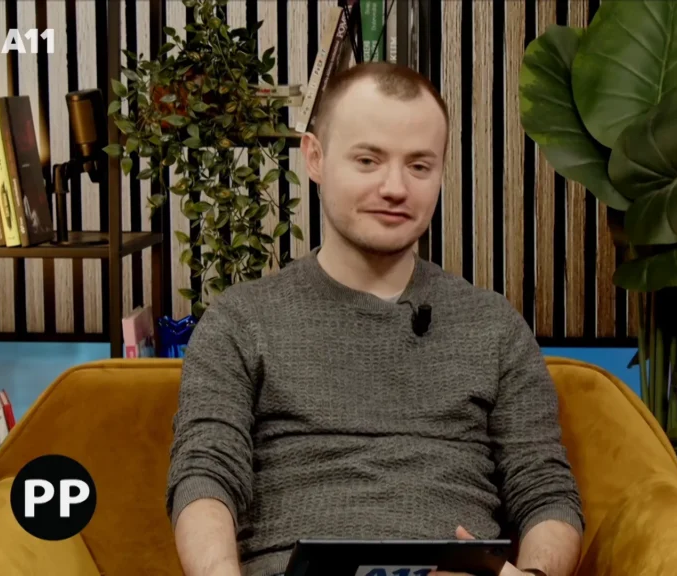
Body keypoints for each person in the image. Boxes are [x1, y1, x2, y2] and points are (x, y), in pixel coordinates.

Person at [165, 61, 585, 576]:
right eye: (368, 160)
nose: (395, 188)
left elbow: (546, 493)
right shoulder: (241, 320)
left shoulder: (493, 325)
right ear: (315, 157)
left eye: (419, 166)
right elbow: (205, 475)